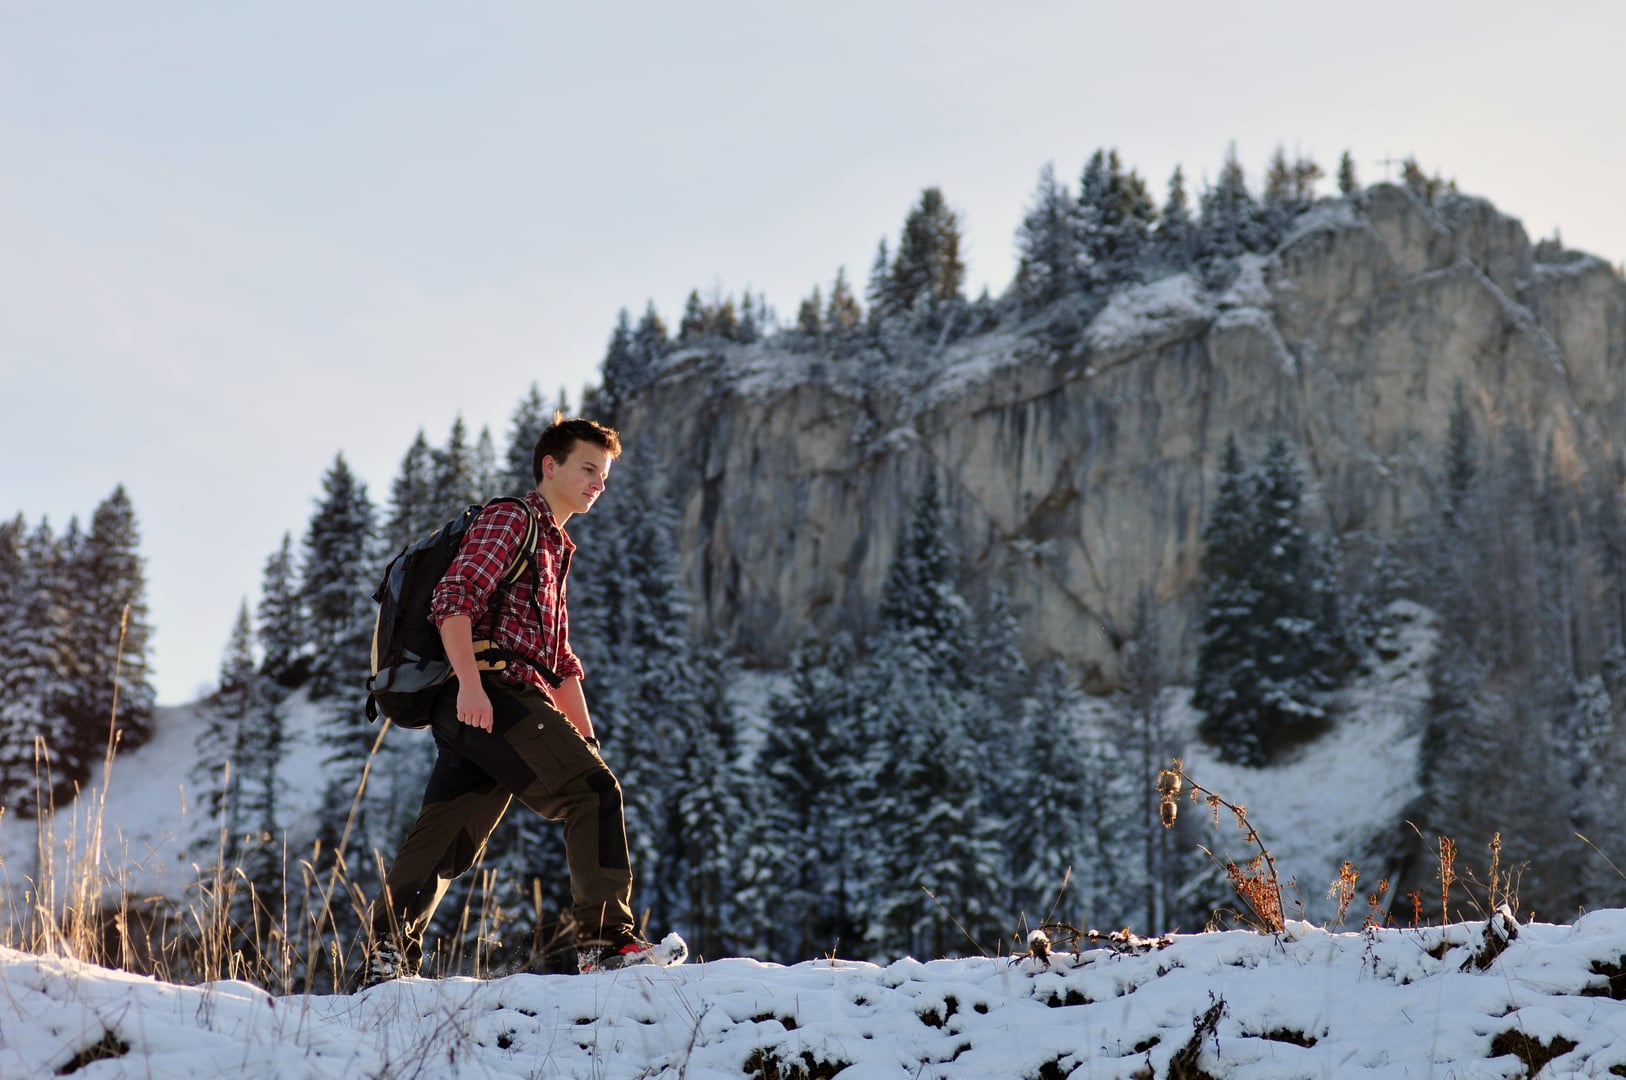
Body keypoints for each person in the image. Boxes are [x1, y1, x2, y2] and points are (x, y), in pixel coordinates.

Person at [356, 414, 659, 986]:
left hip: (489, 700)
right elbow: (454, 599)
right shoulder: (511, 519)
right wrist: (471, 685)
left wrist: (586, 739)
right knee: (592, 792)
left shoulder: (554, 546)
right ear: (551, 466)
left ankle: (384, 961)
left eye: (606, 473)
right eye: (588, 468)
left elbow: (561, 662)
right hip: (489, 692)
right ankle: (607, 944)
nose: (600, 482)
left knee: (448, 835)